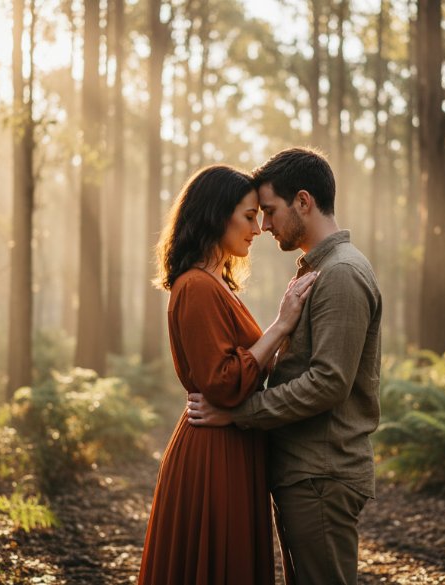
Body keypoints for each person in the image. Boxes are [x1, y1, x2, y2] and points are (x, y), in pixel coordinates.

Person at [187, 147, 383, 585]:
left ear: (303, 201)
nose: (265, 225)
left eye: (271, 211)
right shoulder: (318, 270)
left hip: (322, 472)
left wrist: (238, 415)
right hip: (307, 471)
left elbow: (329, 383)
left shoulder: (342, 273)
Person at [137, 164, 318, 585]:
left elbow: (244, 365)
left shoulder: (218, 284)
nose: (258, 229)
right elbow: (220, 381)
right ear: (218, 215)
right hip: (212, 452)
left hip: (232, 444)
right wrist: (280, 326)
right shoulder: (197, 286)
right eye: (249, 216)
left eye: (259, 216)